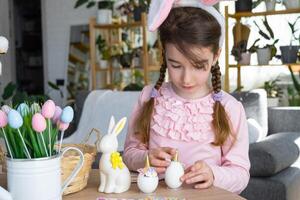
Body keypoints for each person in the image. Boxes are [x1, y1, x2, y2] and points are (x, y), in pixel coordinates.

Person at [123, 0, 250, 194]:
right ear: (164, 53)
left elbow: (241, 174)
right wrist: (146, 158)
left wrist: (213, 174)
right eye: (176, 65)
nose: (186, 78)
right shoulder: (149, 97)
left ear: (216, 55)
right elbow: (130, 153)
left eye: (198, 66)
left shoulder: (230, 108)